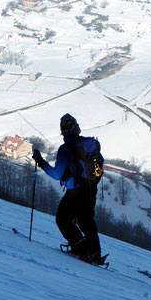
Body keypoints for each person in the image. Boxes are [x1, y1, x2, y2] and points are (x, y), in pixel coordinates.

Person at [32, 113, 105, 264]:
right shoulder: (88, 145)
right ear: (77, 128)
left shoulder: (65, 150)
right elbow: (100, 162)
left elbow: (57, 174)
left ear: (63, 132)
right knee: (86, 222)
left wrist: (40, 161)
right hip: (90, 189)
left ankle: (81, 250)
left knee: (62, 219)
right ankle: (95, 253)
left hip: (75, 193)